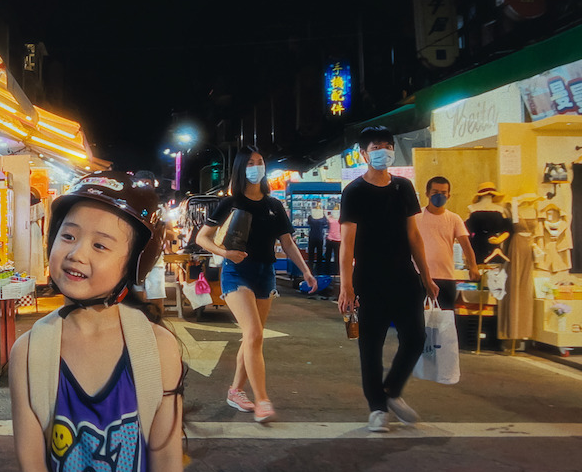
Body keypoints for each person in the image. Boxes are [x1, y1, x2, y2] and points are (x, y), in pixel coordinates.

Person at [9, 171, 185, 472]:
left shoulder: (158, 348)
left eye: (100, 246)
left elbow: (167, 460)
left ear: (133, 263)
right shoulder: (29, 351)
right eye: (68, 236)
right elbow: (32, 464)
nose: (76, 254)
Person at [195, 147, 316, 423]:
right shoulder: (231, 203)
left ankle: (236, 391)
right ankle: (262, 399)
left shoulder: (274, 206)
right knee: (254, 334)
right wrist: (225, 253)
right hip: (237, 273)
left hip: (266, 274)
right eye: (250, 163)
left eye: (260, 162)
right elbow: (202, 237)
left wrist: (306, 272)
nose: (256, 166)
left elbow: (287, 242)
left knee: (253, 338)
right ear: (241, 168)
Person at [338, 126, 438, 433]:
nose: (383, 151)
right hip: (368, 278)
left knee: (416, 339)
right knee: (370, 346)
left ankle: (392, 391)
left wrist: (427, 276)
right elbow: (347, 243)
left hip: (405, 277)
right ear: (364, 154)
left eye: (387, 145)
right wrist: (346, 286)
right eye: (376, 147)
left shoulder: (404, 187)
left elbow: (414, 236)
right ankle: (377, 408)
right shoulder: (354, 191)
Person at [414, 176, 481, 311]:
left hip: (445, 277)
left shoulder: (454, 219)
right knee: (418, 320)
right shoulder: (416, 217)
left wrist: (473, 267)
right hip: (418, 277)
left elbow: (466, 246)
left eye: (443, 193)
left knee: (445, 321)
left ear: (448, 195)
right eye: (435, 192)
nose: (439, 195)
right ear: (427, 194)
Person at [132, 171, 169, 317]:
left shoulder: (160, 207)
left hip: (155, 260)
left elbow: (168, 230)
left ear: (154, 185)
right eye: (142, 183)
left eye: (148, 183)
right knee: (135, 299)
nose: (145, 186)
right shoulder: (131, 204)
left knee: (156, 299)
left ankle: (157, 325)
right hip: (134, 259)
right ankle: (137, 328)